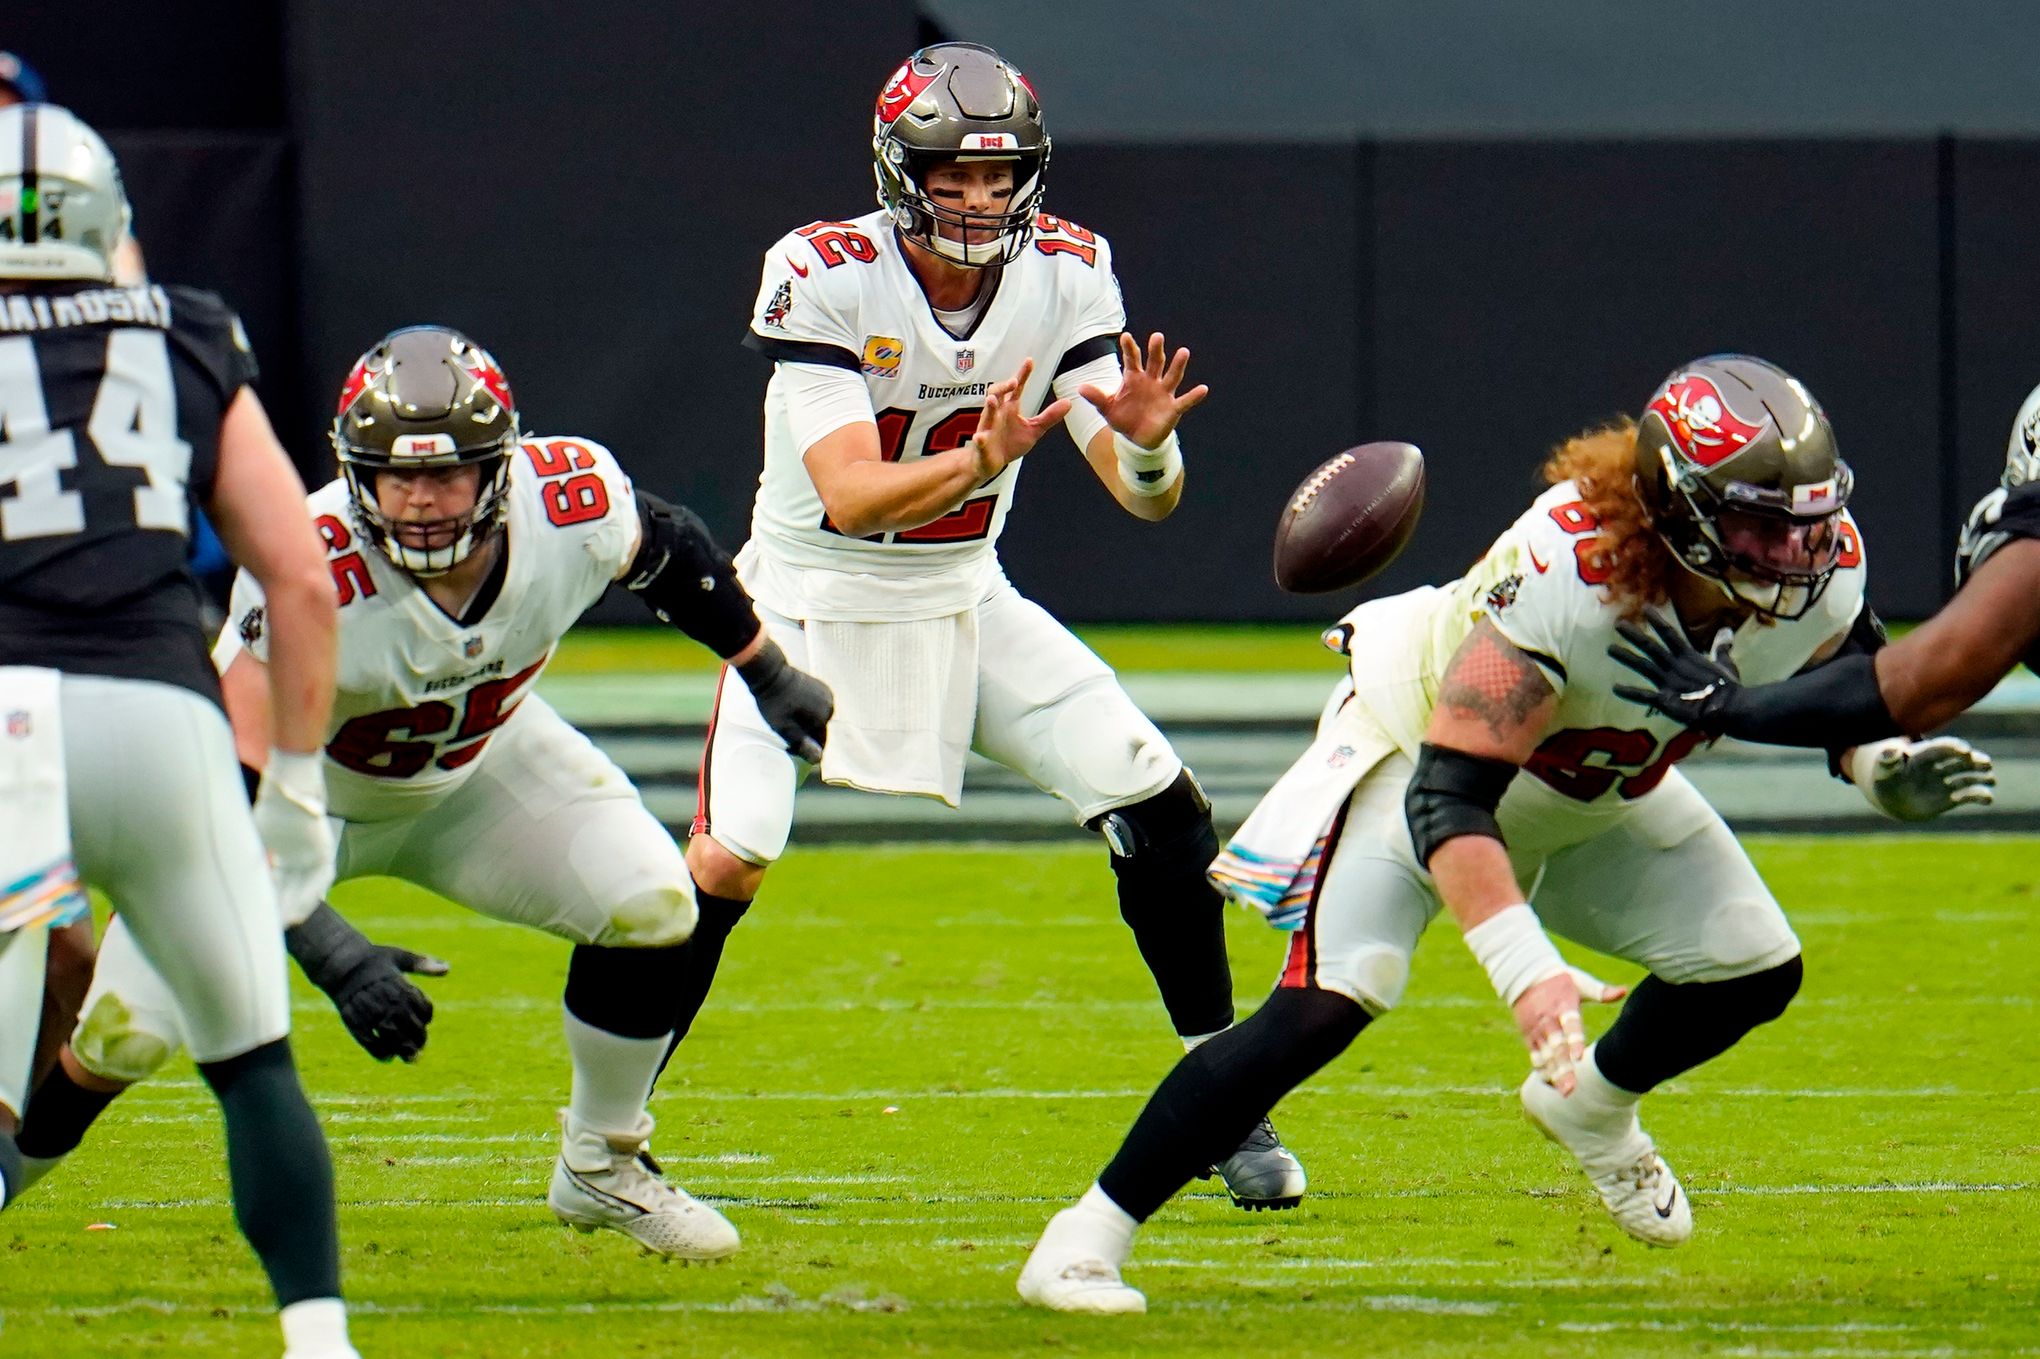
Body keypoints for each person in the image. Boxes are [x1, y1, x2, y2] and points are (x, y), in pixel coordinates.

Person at [1015, 354, 1994, 1313]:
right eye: (1761, 525)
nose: (1798, 553)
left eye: (1807, 522)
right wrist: (1528, 971)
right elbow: (1450, 797)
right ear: (1679, 508)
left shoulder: (1819, 564)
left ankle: (1592, 1104)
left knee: (1752, 965)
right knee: (1335, 998)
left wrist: (1881, 764)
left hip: (1595, 788)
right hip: (1419, 762)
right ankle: (1085, 1238)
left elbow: (1850, 677)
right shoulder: (1568, 574)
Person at [15, 324, 833, 1262]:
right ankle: (10, 1172)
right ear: (354, 470)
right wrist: (329, 951)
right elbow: (216, 794)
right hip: (296, 805)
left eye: (448, 475)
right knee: (123, 1036)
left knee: (652, 902)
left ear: (503, 463)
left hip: (476, 774)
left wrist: (766, 669)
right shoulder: (309, 560)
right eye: (396, 475)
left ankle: (602, 1164)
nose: (421, 501)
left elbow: (668, 550)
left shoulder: (567, 499)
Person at [675, 38, 1305, 1211]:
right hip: (807, 600)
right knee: (726, 859)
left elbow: (1142, 493)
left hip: (966, 592)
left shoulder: (1068, 272)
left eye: (997, 175)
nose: (977, 199)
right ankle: (610, 1135)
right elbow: (855, 495)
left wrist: (1153, 441)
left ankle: (1225, 1105)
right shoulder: (823, 271)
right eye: (950, 175)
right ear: (897, 171)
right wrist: (983, 454)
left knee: (1161, 808)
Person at [0, 103, 358, 1358]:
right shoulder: (183, 330)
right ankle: (318, 1339)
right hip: (155, 711)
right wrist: (301, 784)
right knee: (251, 1058)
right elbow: (300, 577)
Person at [1608, 375, 2040, 758]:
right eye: (1761, 524)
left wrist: (1731, 706)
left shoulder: (1836, 580)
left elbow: (1921, 682)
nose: (1791, 547)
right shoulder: (1569, 567)